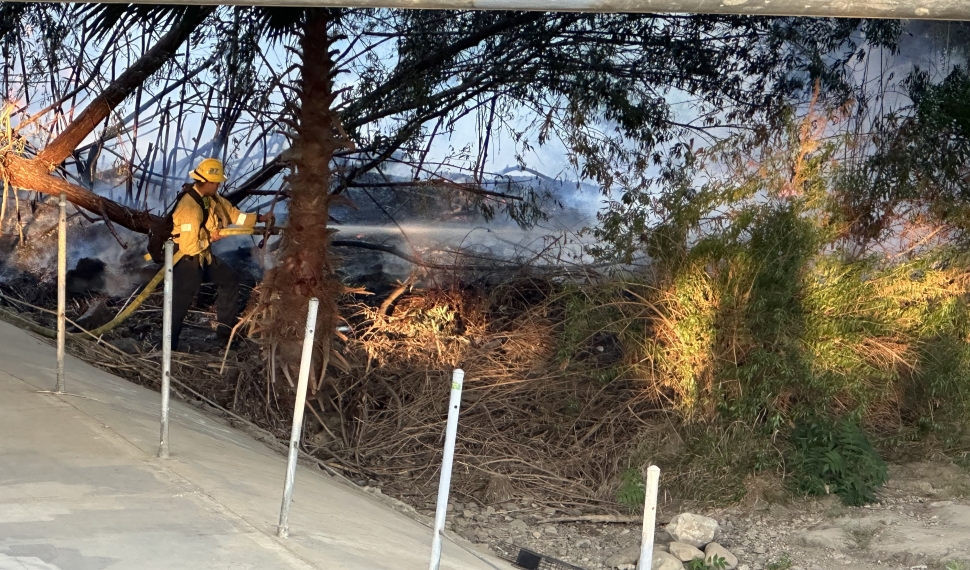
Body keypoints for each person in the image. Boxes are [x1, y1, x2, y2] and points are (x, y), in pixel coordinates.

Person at [169, 157, 272, 351]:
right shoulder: (189, 207)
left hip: (202, 256)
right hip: (186, 259)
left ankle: (225, 334)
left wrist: (259, 218)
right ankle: (169, 346)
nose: (218, 185)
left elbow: (235, 215)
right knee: (179, 305)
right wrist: (211, 239)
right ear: (207, 182)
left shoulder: (212, 199)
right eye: (216, 182)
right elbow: (189, 246)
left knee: (230, 279)